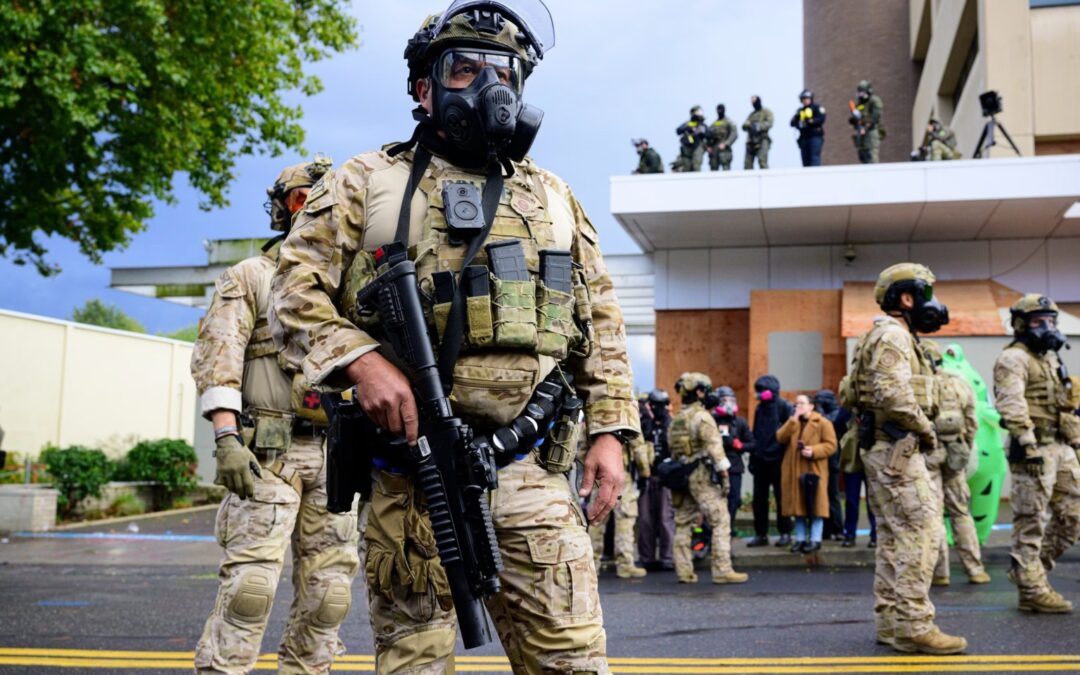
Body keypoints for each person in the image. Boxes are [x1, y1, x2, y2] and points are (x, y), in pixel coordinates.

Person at [269, 3, 639, 671]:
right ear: (425, 87)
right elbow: (291, 296)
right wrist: (362, 364)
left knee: (572, 662)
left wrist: (611, 433)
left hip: (531, 471)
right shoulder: (365, 183)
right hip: (414, 478)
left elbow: (601, 323)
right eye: (464, 69)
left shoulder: (554, 197)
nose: (490, 85)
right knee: (414, 661)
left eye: (505, 71)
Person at [191, 157, 362, 674]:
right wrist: (226, 438)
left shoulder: (349, 289)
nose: (313, 210)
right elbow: (219, 359)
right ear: (284, 209)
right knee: (251, 588)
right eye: (302, 200)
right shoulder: (251, 278)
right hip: (268, 455)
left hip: (334, 459)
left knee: (330, 594)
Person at [842, 262, 966, 654]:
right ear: (907, 298)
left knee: (894, 539)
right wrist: (927, 430)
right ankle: (914, 626)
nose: (932, 303)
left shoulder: (886, 335)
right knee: (922, 532)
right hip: (897, 449)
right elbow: (893, 395)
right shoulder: (894, 335)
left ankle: (892, 623)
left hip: (884, 449)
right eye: (926, 294)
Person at [994, 294, 1080, 613]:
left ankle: (1031, 572)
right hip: (1033, 449)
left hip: (1060, 446)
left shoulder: (1050, 359)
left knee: (1073, 516)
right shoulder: (1013, 358)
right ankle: (1031, 589)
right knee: (1030, 520)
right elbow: (1011, 402)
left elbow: (1062, 403)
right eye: (1037, 321)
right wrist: (1027, 444)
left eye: (1051, 321)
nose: (1047, 327)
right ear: (1020, 325)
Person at [920, 339, 990, 587]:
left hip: (929, 454)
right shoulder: (959, 382)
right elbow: (972, 420)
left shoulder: (919, 385)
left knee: (934, 514)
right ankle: (975, 569)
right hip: (955, 451)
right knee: (961, 512)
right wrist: (965, 445)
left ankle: (941, 572)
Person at [668, 373, 748, 585]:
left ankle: (684, 571)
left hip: (682, 477)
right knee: (721, 520)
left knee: (683, 523)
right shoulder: (702, 417)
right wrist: (725, 478)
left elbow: (673, 450)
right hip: (702, 477)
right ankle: (722, 570)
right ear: (699, 392)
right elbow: (716, 451)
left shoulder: (677, 419)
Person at [777, 394, 837, 553]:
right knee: (798, 507)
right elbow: (780, 437)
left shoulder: (823, 423)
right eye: (796, 404)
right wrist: (793, 420)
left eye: (802, 403)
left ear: (811, 406)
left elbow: (831, 445)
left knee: (816, 506)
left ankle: (816, 539)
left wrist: (814, 451)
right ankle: (800, 539)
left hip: (813, 470)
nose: (798, 406)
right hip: (794, 471)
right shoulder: (793, 422)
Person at [589, 431, 651, 579]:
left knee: (597, 519)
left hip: (599, 475)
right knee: (625, 518)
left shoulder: (592, 420)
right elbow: (638, 447)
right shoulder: (625, 420)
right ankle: (625, 565)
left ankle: (591, 564)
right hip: (621, 474)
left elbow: (582, 448)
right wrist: (645, 472)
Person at [747, 375, 793, 547]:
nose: (759, 394)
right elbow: (756, 433)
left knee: (782, 498)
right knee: (759, 499)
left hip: (778, 459)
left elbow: (791, 433)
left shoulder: (784, 407)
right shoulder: (760, 409)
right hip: (761, 459)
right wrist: (753, 457)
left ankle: (785, 532)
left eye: (762, 390)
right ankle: (761, 534)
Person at [638, 389, 676, 571]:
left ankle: (667, 558)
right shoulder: (645, 426)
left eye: (660, 405)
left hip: (666, 480)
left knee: (665, 519)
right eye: (653, 405)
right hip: (647, 478)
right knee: (646, 520)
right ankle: (647, 558)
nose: (656, 409)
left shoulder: (672, 426)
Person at [711, 386, 755, 536]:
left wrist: (740, 445)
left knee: (734, 499)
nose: (728, 404)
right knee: (714, 499)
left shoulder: (740, 422)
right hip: (715, 467)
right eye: (724, 400)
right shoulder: (711, 420)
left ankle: (729, 527)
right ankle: (715, 528)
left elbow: (752, 443)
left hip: (734, 467)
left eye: (731, 400)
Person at [813, 390, 845, 541]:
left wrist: (819, 408)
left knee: (833, 495)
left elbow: (827, 424)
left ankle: (838, 529)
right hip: (821, 459)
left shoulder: (836, 413)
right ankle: (826, 530)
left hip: (833, 460)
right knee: (821, 496)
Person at [849, 80, 884, 164]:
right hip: (861, 133)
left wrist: (865, 122)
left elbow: (875, 116)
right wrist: (854, 119)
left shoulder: (874, 101)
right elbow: (857, 114)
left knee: (872, 156)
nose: (861, 95)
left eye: (862, 93)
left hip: (871, 132)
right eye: (859, 93)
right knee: (862, 155)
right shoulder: (861, 104)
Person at [790, 89, 825, 167]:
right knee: (805, 160)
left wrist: (810, 121)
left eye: (807, 99)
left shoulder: (816, 108)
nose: (805, 101)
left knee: (814, 157)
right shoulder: (800, 111)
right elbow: (792, 123)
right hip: (804, 138)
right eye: (803, 99)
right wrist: (799, 123)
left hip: (815, 136)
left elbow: (821, 119)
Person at [742, 95, 773, 170]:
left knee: (762, 162)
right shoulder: (751, 115)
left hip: (762, 140)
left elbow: (769, 123)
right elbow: (744, 125)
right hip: (751, 141)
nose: (754, 103)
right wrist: (749, 125)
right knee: (747, 164)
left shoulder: (766, 112)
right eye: (752, 102)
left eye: (755, 101)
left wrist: (759, 126)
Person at [674, 106, 707, 172]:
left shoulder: (702, 125)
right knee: (686, 166)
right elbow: (678, 130)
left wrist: (700, 132)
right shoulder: (687, 123)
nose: (698, 114)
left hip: (697, 147)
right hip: (687, 147)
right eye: (697, 112)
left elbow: (708, 133)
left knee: (696, 165)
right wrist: (687, 128)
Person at [706, 104, 738, 172]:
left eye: (721, 109)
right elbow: (708, 135)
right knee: (713, 168)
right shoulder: (714, 123)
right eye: (718, 110)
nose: (719, 111)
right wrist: (708, 146)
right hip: (714, 148)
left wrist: (726, 144)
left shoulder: (729, 121)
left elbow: (734, 134)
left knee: (726, 168)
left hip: (724, 149)